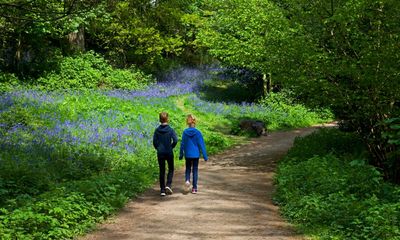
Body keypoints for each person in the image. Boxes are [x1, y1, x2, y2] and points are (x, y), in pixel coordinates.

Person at [179, 114, 208, 194]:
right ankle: (194, 188)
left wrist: (181, 154)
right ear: (195, 122)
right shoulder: (198, 133)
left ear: (187, 123)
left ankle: (187, 180)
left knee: (188, 169)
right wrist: (205, 156)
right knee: (195, 170)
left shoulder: (185, 132)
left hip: (188, 154)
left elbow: (182, 144)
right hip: (195, 155)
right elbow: (201, 145)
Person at [153, 112, 178, 196]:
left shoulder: (157, 130)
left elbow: (154, 142)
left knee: (162, 170)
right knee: (171, 168)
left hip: (160, 152)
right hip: (169, 151)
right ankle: (168, 185)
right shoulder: (170, 130)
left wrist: (158, 148)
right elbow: (175, 140)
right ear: (167, 119)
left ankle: (162, 190)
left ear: (159, 119)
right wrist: (171, 147)